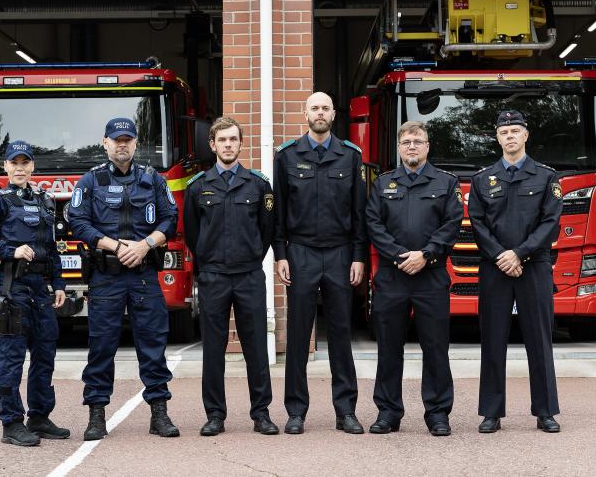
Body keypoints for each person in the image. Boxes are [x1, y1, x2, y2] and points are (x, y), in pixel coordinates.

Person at [69, 117, 180, 440]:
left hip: (144, 275)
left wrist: (146, 245)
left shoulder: (153, 179)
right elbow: (78, 222)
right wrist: (116, 246)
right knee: (101, 347)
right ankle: (96, 415)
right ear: (105, 143)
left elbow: (170, 218)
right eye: (116, 140)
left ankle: (159, 414)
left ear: (135, 143)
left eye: (128, 139)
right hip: (107, 277)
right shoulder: (90, 182)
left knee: (153, 345)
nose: (122, 144)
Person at [273, 92, 368, 435]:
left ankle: (346, 411)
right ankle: (296, 411)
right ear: (305, 114)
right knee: (298, 334)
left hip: (341, 253)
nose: (320, 113)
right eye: (314, 108)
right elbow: (279, 212)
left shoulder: (350, 155)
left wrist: (358, 256)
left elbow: (360, 212)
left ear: (333, 114)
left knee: (341, 333)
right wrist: (281, 254)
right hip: (300, 253)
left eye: (326, 107)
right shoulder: (286, 156)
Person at [0, 141, 70, 446]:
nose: (20, 168)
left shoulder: (45, 201)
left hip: (40, 290)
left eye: (25, 163)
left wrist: (60, 284)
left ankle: (38, 416)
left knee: (45, 354)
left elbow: (51, 250)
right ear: (6, 167)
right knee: (11, 358)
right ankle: (11, 423)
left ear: (32, 168)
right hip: (11, 288)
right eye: (15, 163)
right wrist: (10, 251)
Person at [183, 116, 279, 436]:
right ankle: (214, 415)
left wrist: (250, 254)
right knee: (213, 349)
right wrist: (208, 264)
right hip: (213, 277)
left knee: (255, 348)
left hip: (249, 275)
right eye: (222, 140)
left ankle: (261, 413)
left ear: (241, 143)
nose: (228, 145)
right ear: (212, 145)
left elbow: (267, 231)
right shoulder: (198, 187)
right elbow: (192, 235)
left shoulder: (258, 184)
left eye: (233, 139)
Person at [365, 121, 462, 436]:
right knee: (389, 348)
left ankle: (437, 413)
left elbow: (452, 224)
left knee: (435, 347)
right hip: (392, 278)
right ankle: (388, 413)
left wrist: (426, 255)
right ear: (399, 146)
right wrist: (398, 256)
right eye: (406, 141)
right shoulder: (383, 184)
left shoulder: (446, 184)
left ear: (427, 146)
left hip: (430, 277)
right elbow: (373, 224)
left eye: (417, 141)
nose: (411, 146)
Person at [468, 109, 562, 434]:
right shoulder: (482, 179)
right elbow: (477, 224)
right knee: (493, 340)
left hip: (533, 267)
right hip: (495, 269)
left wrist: (519, 253)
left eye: (515, 130)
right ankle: (491, 412)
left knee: (539, 340)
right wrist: (501, 255)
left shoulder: (546, 177)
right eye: (504, 132)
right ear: (497, 138)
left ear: (526, 135)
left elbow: (550, 224)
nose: (510, 136)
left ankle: (545, 411)